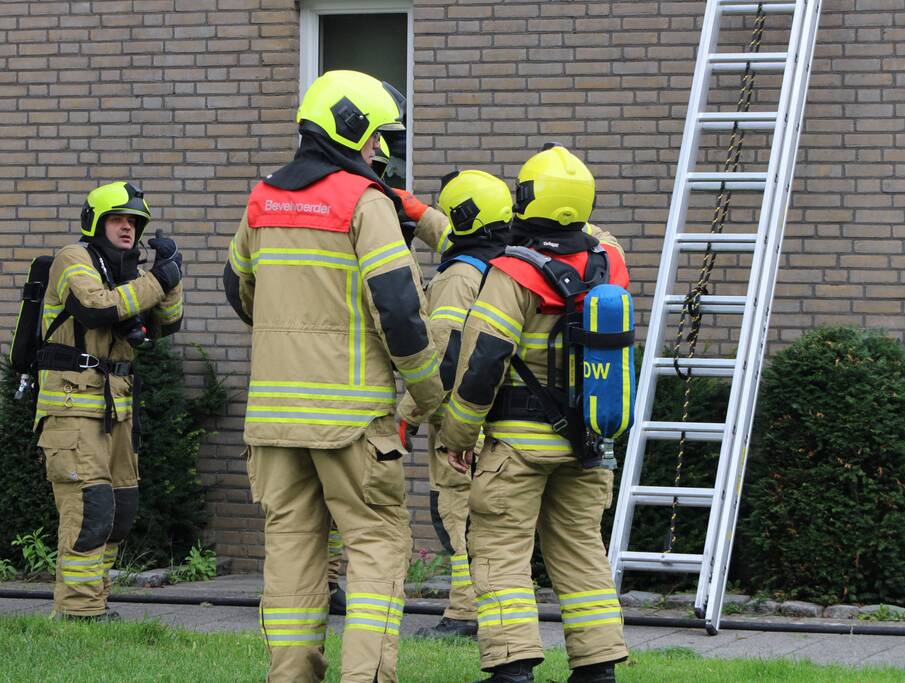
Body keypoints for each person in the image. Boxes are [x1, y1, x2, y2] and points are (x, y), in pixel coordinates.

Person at [224, 70, 444, 683]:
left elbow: (238, 286)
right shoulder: (363, 203)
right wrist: (430, 397)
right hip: (352, 421)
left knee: (292, 555)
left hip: (272, 424)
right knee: (376, 547)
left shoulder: (263, 199)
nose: (380, 152)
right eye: (377, 139)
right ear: (352, 132)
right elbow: (399, 311)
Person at [438, 145, 630, 683]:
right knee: (582, 553)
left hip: (518, 447)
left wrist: (458, 433)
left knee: (500, 553)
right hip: (591, 443)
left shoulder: (514, 271)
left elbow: (483, 362)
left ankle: (512, 668)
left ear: (528, 199)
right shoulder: (608, 262)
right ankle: (599, 670)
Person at [35, 181, 184, 620]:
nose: (128, 229)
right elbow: (97, 309)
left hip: (116, 410)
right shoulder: (73, 259)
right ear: (95, 222)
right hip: (71, 410)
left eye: (135, 223)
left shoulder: (129, 274)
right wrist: (157, 281)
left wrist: (170, 276)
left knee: (121, 510)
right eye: (118, 219)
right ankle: (79, 613)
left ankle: (95, 601)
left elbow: (165, 326)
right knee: (90, 509)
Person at [397, 170, 515, 640]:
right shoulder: (507, 263)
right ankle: (489, 608)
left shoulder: (458, 277)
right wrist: (415, 212)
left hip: (457, 425)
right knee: (487, 520)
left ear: (463, 217)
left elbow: (444, 356)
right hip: (501, 416)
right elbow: (454, 233)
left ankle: (465, 614)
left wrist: (408, 414)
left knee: (456, 515)